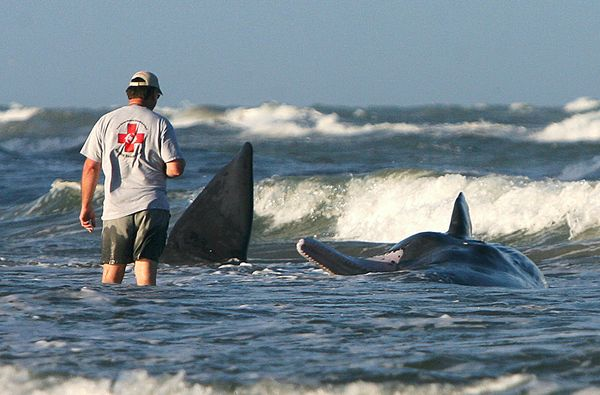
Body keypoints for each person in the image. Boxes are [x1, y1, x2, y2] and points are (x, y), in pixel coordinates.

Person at [79, 71, 185, 286]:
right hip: (152, 206)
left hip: (116, 208)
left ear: (130, 94)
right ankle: (145, 318)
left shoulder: (106, 121)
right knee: (145, 271)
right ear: (153, 94)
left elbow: (91, 166)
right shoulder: (160, 123)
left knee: (111, 274)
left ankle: (110, 318)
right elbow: (174, 169)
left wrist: (86, 206)